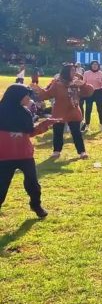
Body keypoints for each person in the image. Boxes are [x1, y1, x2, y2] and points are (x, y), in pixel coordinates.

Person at [0, 84, 61, 218]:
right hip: (4, 156)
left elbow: (29, 132)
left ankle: (36, 205)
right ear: (17, 96)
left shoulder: (25, 112)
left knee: (32, 183)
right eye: (26, 96)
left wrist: (45, 124)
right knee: (2, 184)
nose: (29, 99)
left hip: (24, 154)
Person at [31, 64, 93, 159]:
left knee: (76, 132)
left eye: (75, 71)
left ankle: (82, 152)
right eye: (72, 71)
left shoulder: (77, 83)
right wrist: (39, 90)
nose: (75, 73)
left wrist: (83, 85)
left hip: (73, 111)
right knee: (58, 132)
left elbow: (89, 92)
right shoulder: (57, 83)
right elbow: (47, 95)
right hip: (59, 111)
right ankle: (56, 151)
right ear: (66, 72)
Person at [81, 60, 102, 132]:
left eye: (96, 64)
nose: (95, 66)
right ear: (91, 65)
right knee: (88, 109)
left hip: (98, 92)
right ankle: (87, 125)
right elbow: (84, 82)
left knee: (100, 109)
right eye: (93, 64)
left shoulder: (101, 74)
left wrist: (100, 82)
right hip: (89, 92)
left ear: (98, 66)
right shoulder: (86, 73)